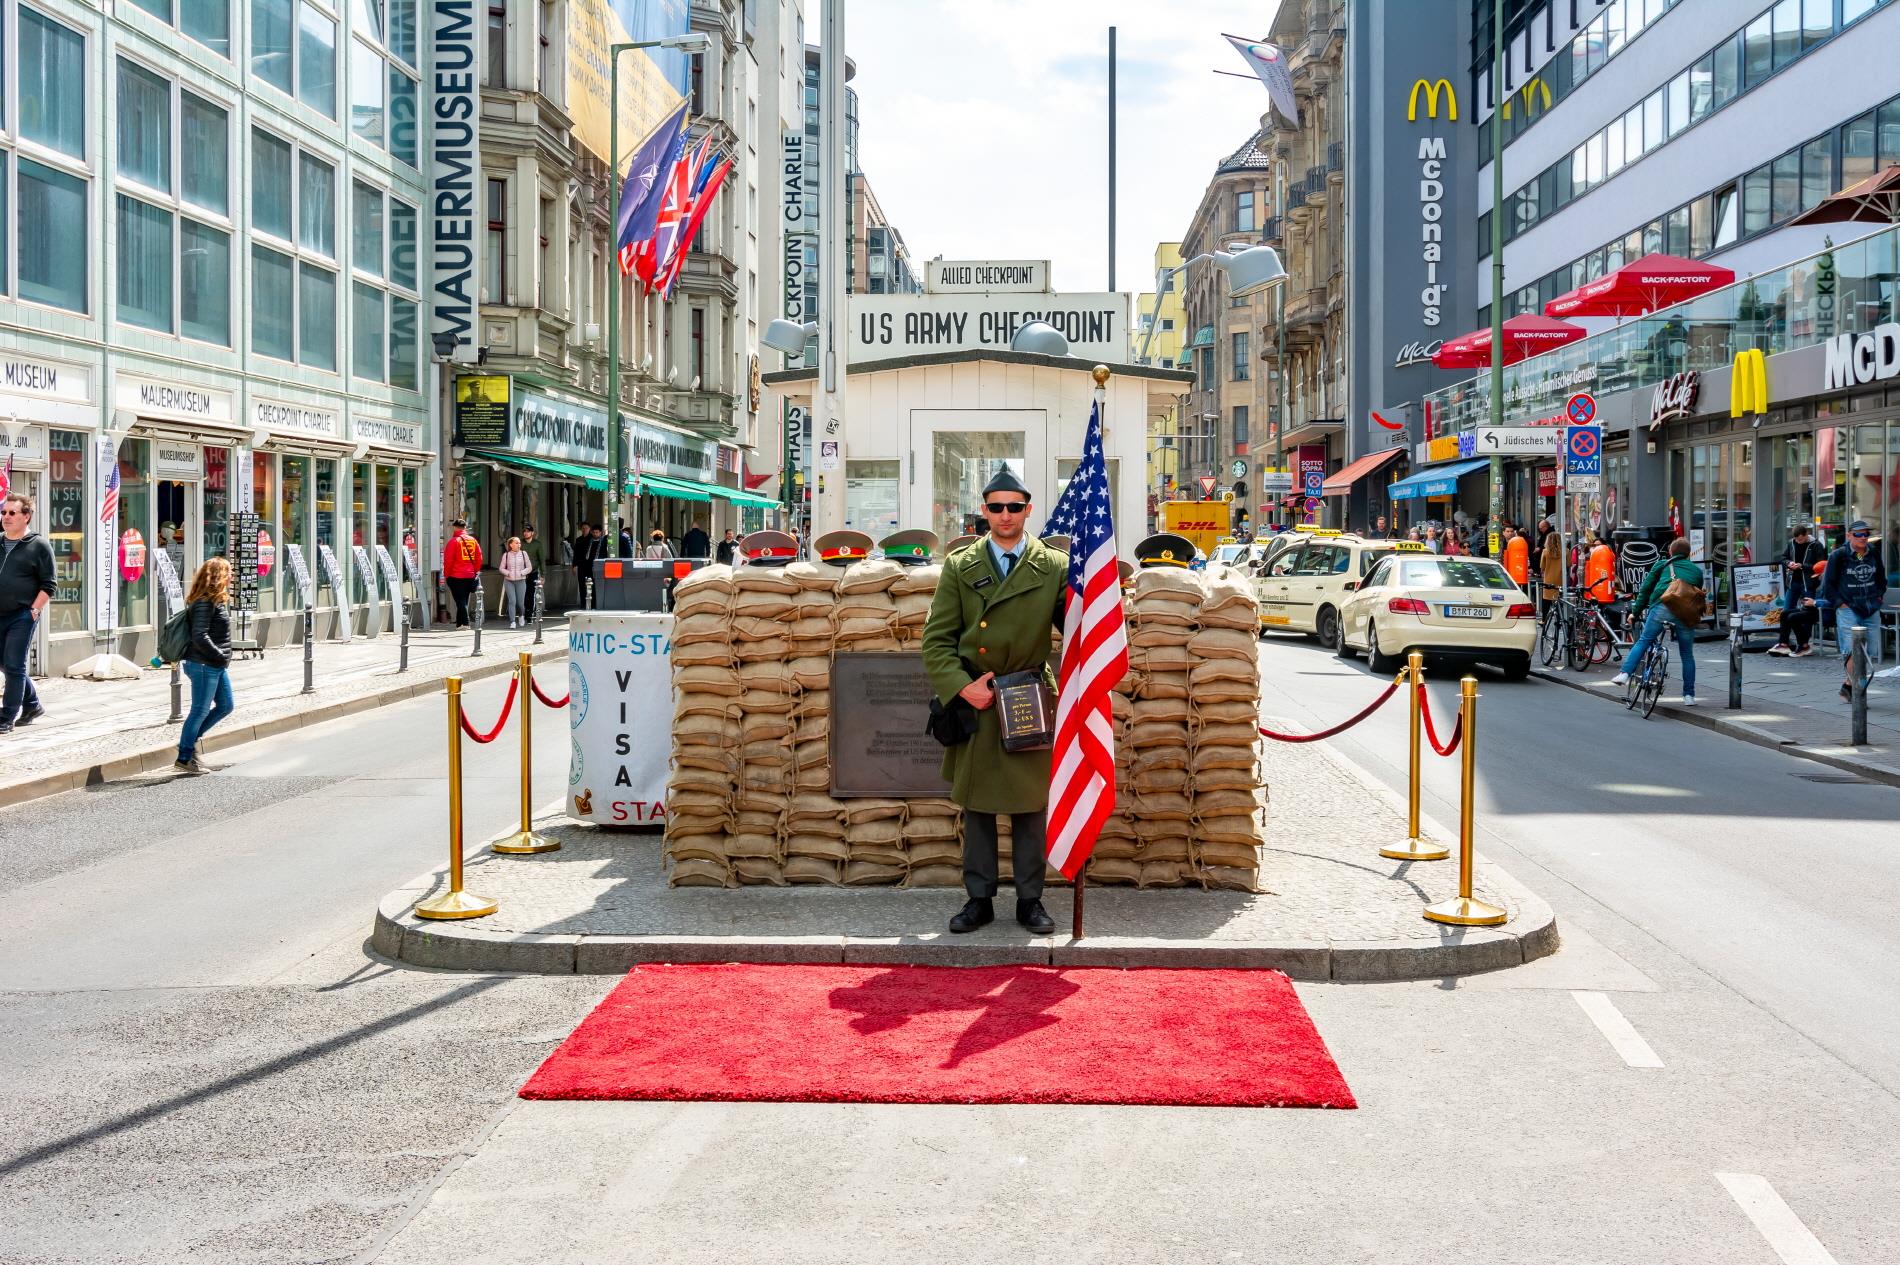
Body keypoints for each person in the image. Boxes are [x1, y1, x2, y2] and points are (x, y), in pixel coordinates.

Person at [920, 465, 1067, 937]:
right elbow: (937, 640)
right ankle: (978, 898)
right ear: (984, 511)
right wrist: (964, 688)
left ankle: (1030, 900)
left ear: (1028, 510)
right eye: (997, 507)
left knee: (1029, 805)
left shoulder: (1054, 567)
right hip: (979, 696)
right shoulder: (961, 566)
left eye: (1015, 507)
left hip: (1027, 693)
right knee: (979, 808)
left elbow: (1081, 629)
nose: (1006, 515)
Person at [1612, 537, 1703, 706]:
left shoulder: (1662, 564)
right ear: (1688, 554)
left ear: (1671, 552)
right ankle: (1689, 696)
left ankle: (1624, 674)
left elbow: (1645, 589)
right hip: (1685, 614)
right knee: (1687, 655)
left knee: (1644, 640)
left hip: (1663, 607)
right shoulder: (1696, 571)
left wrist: (1635, 612)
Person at [174, 556, 236, 774]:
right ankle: (184, 756)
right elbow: (200, 635)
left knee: (226, 705)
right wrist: (220, 655)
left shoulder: (215, 600)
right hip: (203, 664)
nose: (232, 576)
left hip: (214, 664)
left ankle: (189, 741)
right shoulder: (204, 602)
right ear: (218, 576)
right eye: (229, 572)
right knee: (199, 710)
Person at [0, 492, 55, 734]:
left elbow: (49, 584)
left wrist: (34, 610)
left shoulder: (38, 545)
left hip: (22, 615)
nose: (6, 517)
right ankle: (32, 704)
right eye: (3, 512)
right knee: (5, 663)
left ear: (26, 516)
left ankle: (6, 717)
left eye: (12, 512)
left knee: (14, 664)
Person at [1820, 518, 1887, 702]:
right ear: (1849, 535)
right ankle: (1858, 693)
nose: (1863, 537)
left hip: (1871, 607)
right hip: (1849, 607)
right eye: (1858, 534)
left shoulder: (1872, 552)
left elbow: (1881, 577)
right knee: (1852, 650)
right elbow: (1828, 585)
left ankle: (1849, 685)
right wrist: (1840, 603)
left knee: (1870, 651)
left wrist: (1879, 595)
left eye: (1866, 534)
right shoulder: (1839, 555)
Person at [1767, 522, 1824, 657]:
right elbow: (1783, 558)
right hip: (1793, 582)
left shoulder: (1816, 545)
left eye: (1801, 539)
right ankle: (1784, 643)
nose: (1798, 542)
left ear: (1806, 535)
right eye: (1796, 540)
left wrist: (1803, 566)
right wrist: (1789, 564)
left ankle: (1804, 644)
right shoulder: (1791, 543)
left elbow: (1821, 564)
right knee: (1786, 612)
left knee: (1805, 614)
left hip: (1808, 584)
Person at [442, 518, 483, 627]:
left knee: (460, 601)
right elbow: (479, 557)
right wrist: (475, 571)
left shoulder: (453, 541)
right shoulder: (473, 540)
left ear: (454, 527)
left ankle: (465, 623)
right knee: (464, 599)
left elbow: (448, 560)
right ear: (465, 528)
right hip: (470, 575)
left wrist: (447, 574)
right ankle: (459, 624)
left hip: (456, 575)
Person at [498, 536, 531, 628]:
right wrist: (508, 573)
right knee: (512, 601)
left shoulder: (524, 554)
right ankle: (512, 621)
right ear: (511, 544)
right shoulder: (506, 555)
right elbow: (501, 568)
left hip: (521, 581)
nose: (519, 544)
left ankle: (521, 616)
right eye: (516, 543)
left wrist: (522, 573)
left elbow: (529, 567)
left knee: (520, 603)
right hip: (509, 581)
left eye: (519, 543)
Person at [521, 526, 546, 616]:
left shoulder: (537, 544)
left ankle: (529, 613)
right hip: (521, 572)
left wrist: (543, 575)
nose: (525, 533)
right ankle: (522, 612)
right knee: (522, 593)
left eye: (528, 531)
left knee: (531, 593)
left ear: (532, 533)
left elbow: (542, 560)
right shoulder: (520, 543)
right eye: (524, 531)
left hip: (533, 572)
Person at [1540, 525, 1564, 604]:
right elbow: (1569, 564)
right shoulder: (1566, 551)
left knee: (1547, 601)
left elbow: (1542, 566)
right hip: (1561, 579)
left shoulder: (1545, 552)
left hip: (1548, 580)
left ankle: (1547, 616)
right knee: (1560, 600)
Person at [1502, 523, 1530, 589]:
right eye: (1508, 531)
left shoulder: (1519, 542)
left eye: (1511, 531)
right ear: (1503, 533)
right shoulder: (1501, 544)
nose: (1510, 533)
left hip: (1517, 572)